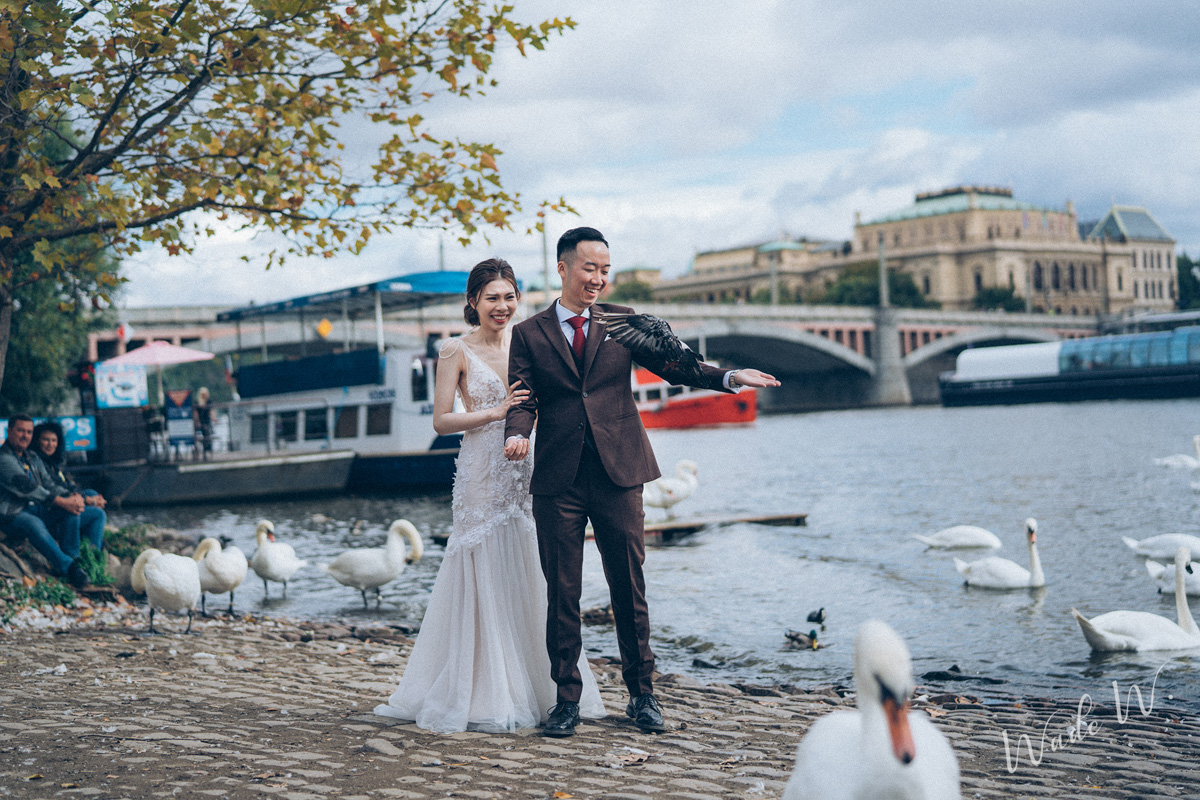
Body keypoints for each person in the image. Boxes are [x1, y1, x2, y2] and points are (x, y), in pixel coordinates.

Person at [504, 227, 780, 737]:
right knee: (562, 592)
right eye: (590, 268)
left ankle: (643, 696)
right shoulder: (528, 334)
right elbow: (522, 399)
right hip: (558, 480)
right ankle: (567, 700)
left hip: (621, 473)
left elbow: (675, 364)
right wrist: (517, 434)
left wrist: (730, 377)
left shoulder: (624, 323)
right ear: (563, 268)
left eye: (606, 271)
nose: (599, 279)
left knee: (629, 587)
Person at [375, 258, 605, 733]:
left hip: (525, 471)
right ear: (474, 302)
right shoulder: (454, 351)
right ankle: (483, 688)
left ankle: (541, 686)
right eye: (491, 298)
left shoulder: (534, 343)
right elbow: (441, 420)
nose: (501, 306)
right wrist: (495, 412)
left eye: (509, 297)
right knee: (482, 564)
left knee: (528, 564)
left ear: (518, 299)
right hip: (481, 470)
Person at [0, 414, 90, 587]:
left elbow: (49, 484)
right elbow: (29, 488)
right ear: (9, 431)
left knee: (71, 508)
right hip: (7, 514)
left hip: (31, 508)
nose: (25, 435)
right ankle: (69, 567)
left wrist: (73, 498)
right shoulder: (3, 458)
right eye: (20, 431)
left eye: (29, 432)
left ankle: (72, 560)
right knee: (33, 523)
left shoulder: (32, 457)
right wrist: (63, 501)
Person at [31, 420, 107, 556]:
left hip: (55, 503)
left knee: (91, 492)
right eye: (46, 440)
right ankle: (92, 555)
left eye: (54, 440)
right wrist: (87, 500)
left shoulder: (51, 462)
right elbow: (53, 487)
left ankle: (90, 543)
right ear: (37, 441)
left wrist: (88, 497)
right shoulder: (37, 460)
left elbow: (65, 484)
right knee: (98, 514)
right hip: (47, 508)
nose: (50, 444)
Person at [193, 387, 213, 460]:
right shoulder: (197, 402)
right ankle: (201, 452)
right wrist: (197, 421)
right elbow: (196, 413)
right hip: (201, 421)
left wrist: (214, 419)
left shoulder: (208, 401)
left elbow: (210, 412)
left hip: (207, 421)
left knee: (207, 436)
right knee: (202, 436)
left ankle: (206, 452)